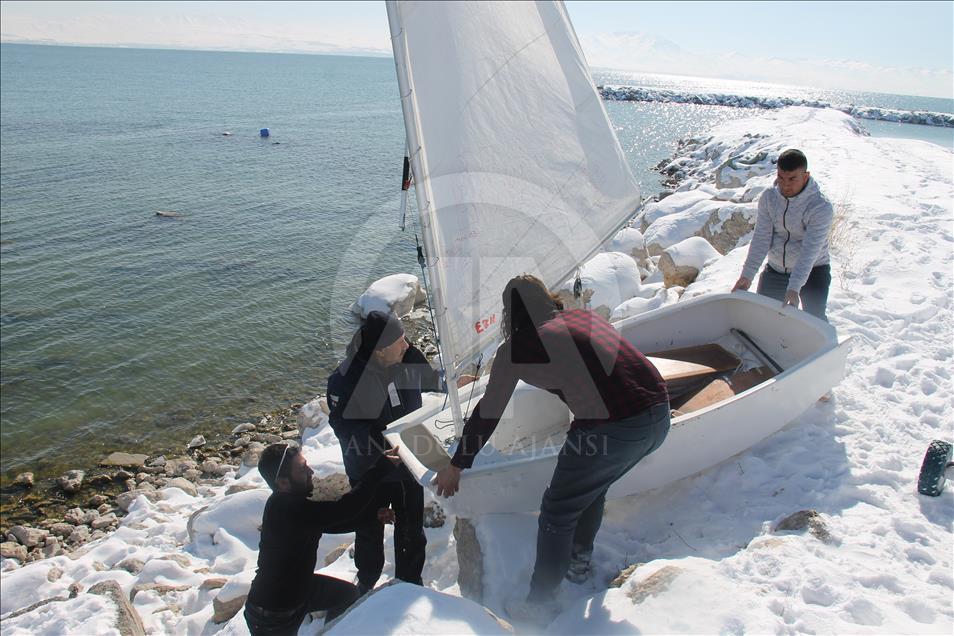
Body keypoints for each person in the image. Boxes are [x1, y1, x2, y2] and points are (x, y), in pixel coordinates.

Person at [434, 275, 671, 622]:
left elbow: (489, 411)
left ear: (509, 314)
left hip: (616, 428)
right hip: (659, 414)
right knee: (592, 486)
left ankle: (539, 602)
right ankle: (577, 562)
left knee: (558, 509)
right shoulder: (584, 317)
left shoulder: (516, 348)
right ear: (547, 299)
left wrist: (457, 463)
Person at [327, 310, 473, 594]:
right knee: (369, 529)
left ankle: (409, 585)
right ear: (381, 351)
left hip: (407, 458)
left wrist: (452, 384)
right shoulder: (346, 379)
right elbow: (344, 428)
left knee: (410, 529)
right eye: (400, 341)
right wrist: (379, 454)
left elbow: (428, 376)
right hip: (369, 468)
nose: (407, 345)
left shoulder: (406, 355)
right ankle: (367, 579)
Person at [244, 442, 400, 635]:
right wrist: (379, 469)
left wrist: (372, 518)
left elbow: (330, 523)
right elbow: (346, 508)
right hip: (272, 613)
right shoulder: (288, 509)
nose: (310, 471)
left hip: (300, 588)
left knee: (347, 595)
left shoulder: (289, 504)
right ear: (283, 482)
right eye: (302, 469)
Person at [732, 148, 834, 321]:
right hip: (776, 269)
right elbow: (761, 239)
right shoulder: (769, 198)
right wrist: (747, 275)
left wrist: (794, 288)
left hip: (813, 270)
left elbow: (810, 251)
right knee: (764, 318)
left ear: (805, 176)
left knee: (814, 320)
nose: (785, 184)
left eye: (792, 179)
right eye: (781, 177)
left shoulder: (820, 207)